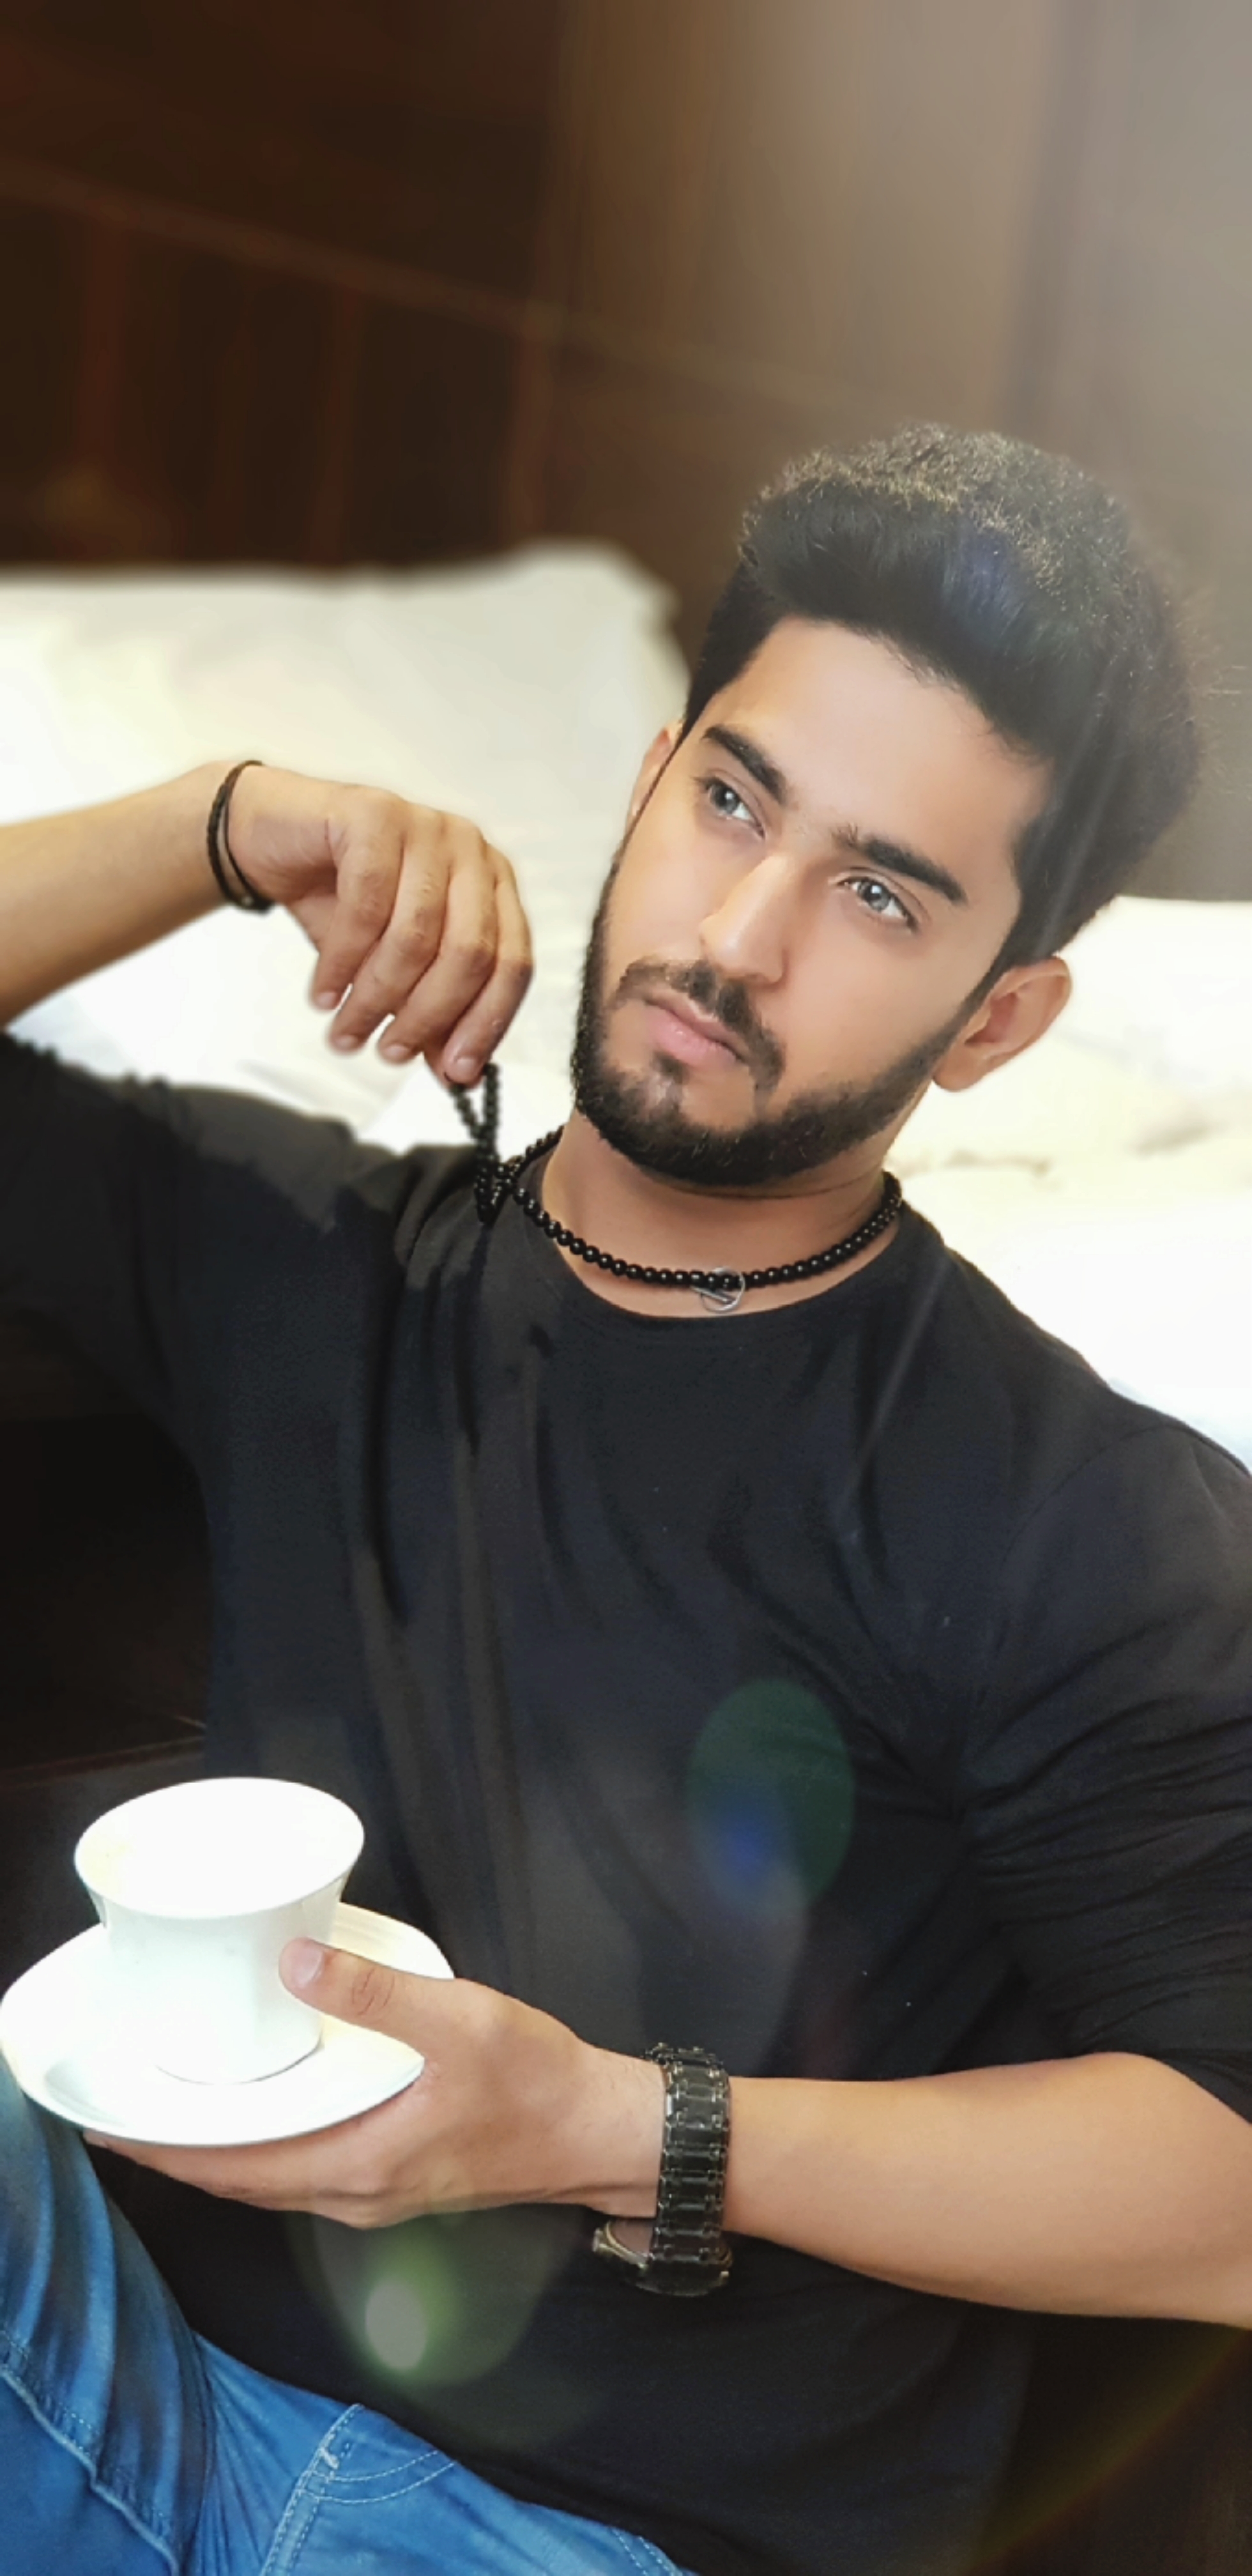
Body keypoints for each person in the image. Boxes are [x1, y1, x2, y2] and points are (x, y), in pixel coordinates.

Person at [1, 423, 1250, 2576]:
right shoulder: (309, 1259)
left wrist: (609, 2128)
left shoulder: (1076, 1511)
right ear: (653, 776)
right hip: (137, 2388)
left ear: (998, 1020)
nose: (739, 936)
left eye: (880, 892)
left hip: (599, 2540)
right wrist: (224, 821)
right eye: (735, 804)